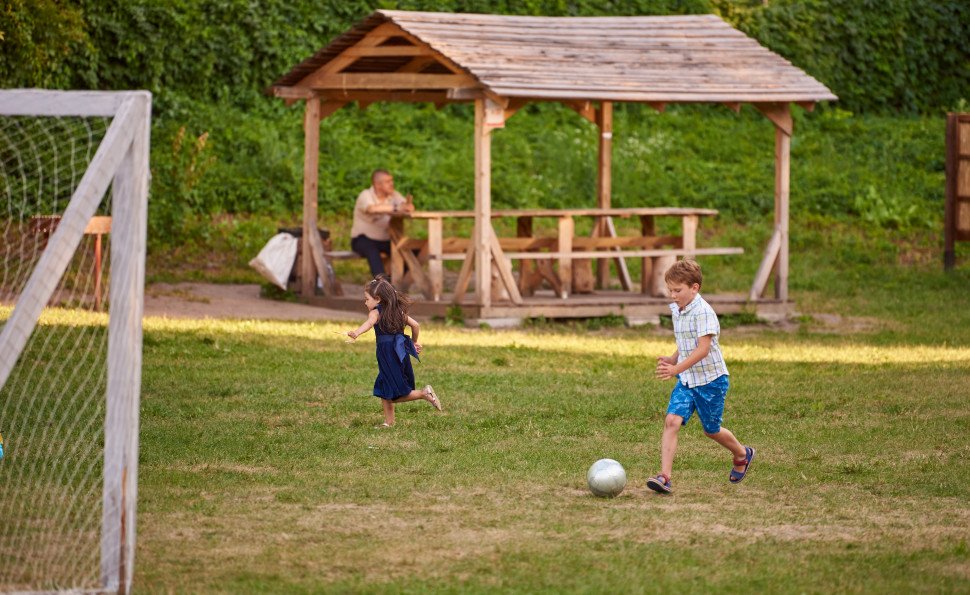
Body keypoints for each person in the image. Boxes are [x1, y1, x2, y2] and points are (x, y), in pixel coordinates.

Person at [647, 259, 754, 494]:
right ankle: (664, 477)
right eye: (670, 290)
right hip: (687, 379)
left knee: (711, 430)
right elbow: (686, 341)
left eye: (678, 290)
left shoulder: (704, 312)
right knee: (672, 421)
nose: (672, 295)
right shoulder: (678, 309)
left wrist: (675, 369)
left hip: (711, 381)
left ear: (694, 288)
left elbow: (702, 349)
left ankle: (741, 454)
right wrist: (674, 358)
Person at [346, 275, 441, 427]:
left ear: (377, 299)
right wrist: (414, 341)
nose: (365, 302)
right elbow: (415, 325)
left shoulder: (375, 313)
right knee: (385, 386)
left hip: (388, 354)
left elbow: (369, 324)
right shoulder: (397, 312)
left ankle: (424, 393)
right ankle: (389, 422)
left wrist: (356, 333)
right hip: (400, 350)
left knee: (395, 393)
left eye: (366, 299)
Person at [350, 169, 413, 276]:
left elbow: (407, 207)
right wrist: (396, 207)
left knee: (409, 252)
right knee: (371, 250)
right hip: (362, 239)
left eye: (391, 181)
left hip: (386, 240)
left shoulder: (394, 195)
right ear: (378, 185)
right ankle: (382, 285)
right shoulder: (365, 195)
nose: (391, 184)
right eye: (388, 181)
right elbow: (372, 209)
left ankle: (396, 281)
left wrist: (408, 206)